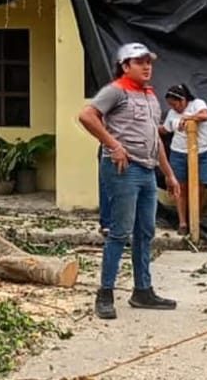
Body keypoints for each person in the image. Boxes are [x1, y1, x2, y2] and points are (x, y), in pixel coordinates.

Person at [78, 43, 182, 319]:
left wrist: (169, 173)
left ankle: (142, 290)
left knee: (145, 231)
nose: (147, 67)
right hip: (124, 169)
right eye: (140, 62)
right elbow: (86, 116)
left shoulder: (149, 95)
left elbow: (154, 137)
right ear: (125, 66)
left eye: (149, 62)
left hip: (147, 170)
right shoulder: (116, 90)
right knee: (120, 231)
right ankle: (105, 294)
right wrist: (113, 145)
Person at [160, 84, 207, 234]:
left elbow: (205, 115)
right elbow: (165, 130)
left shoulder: (197, 104)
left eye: (175, 104)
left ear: (183, 100)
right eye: (170, 105)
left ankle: (196, 219)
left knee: (200, 187)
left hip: (202, 152)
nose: (173, 108)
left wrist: (188, 118)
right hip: (179, 153)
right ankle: (182, 222)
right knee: (180, 187)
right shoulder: (172, 113)